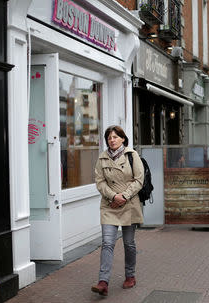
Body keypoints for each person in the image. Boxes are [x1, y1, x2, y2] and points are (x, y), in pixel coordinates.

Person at [91, 126, 144, 296]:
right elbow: (100, 182)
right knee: (107, 243)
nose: (112, 140)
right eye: (109, 138)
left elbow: (139, 180)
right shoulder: (102, 159)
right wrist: (114, 197)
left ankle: (130, 275)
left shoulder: (132, 155)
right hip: (109, 206)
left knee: (129, 243)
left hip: (129, 205)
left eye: (115, 137)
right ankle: (103, 282)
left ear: (123, 138)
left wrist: (124, 196)